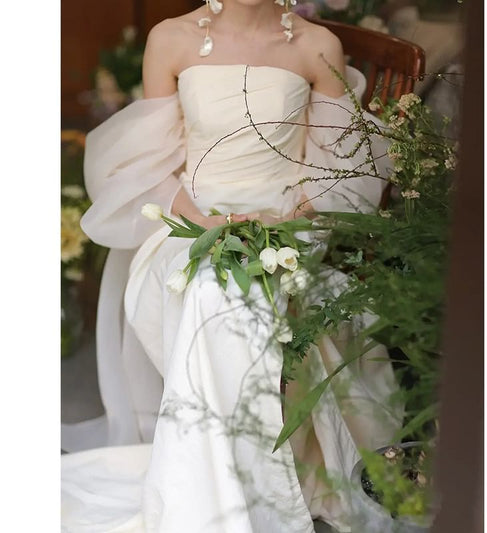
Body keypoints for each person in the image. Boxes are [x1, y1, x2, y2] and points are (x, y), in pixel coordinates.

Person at [61, 1, 402, 531]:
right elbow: (153, 161)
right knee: (210, 285)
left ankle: (231, 491)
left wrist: (283, 216)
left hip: (288, 220)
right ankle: (216, 494)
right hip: (190, 219)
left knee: (237, 290)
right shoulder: (170, 39)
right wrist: (204, 222)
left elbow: (345, 165)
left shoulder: (317, 46)